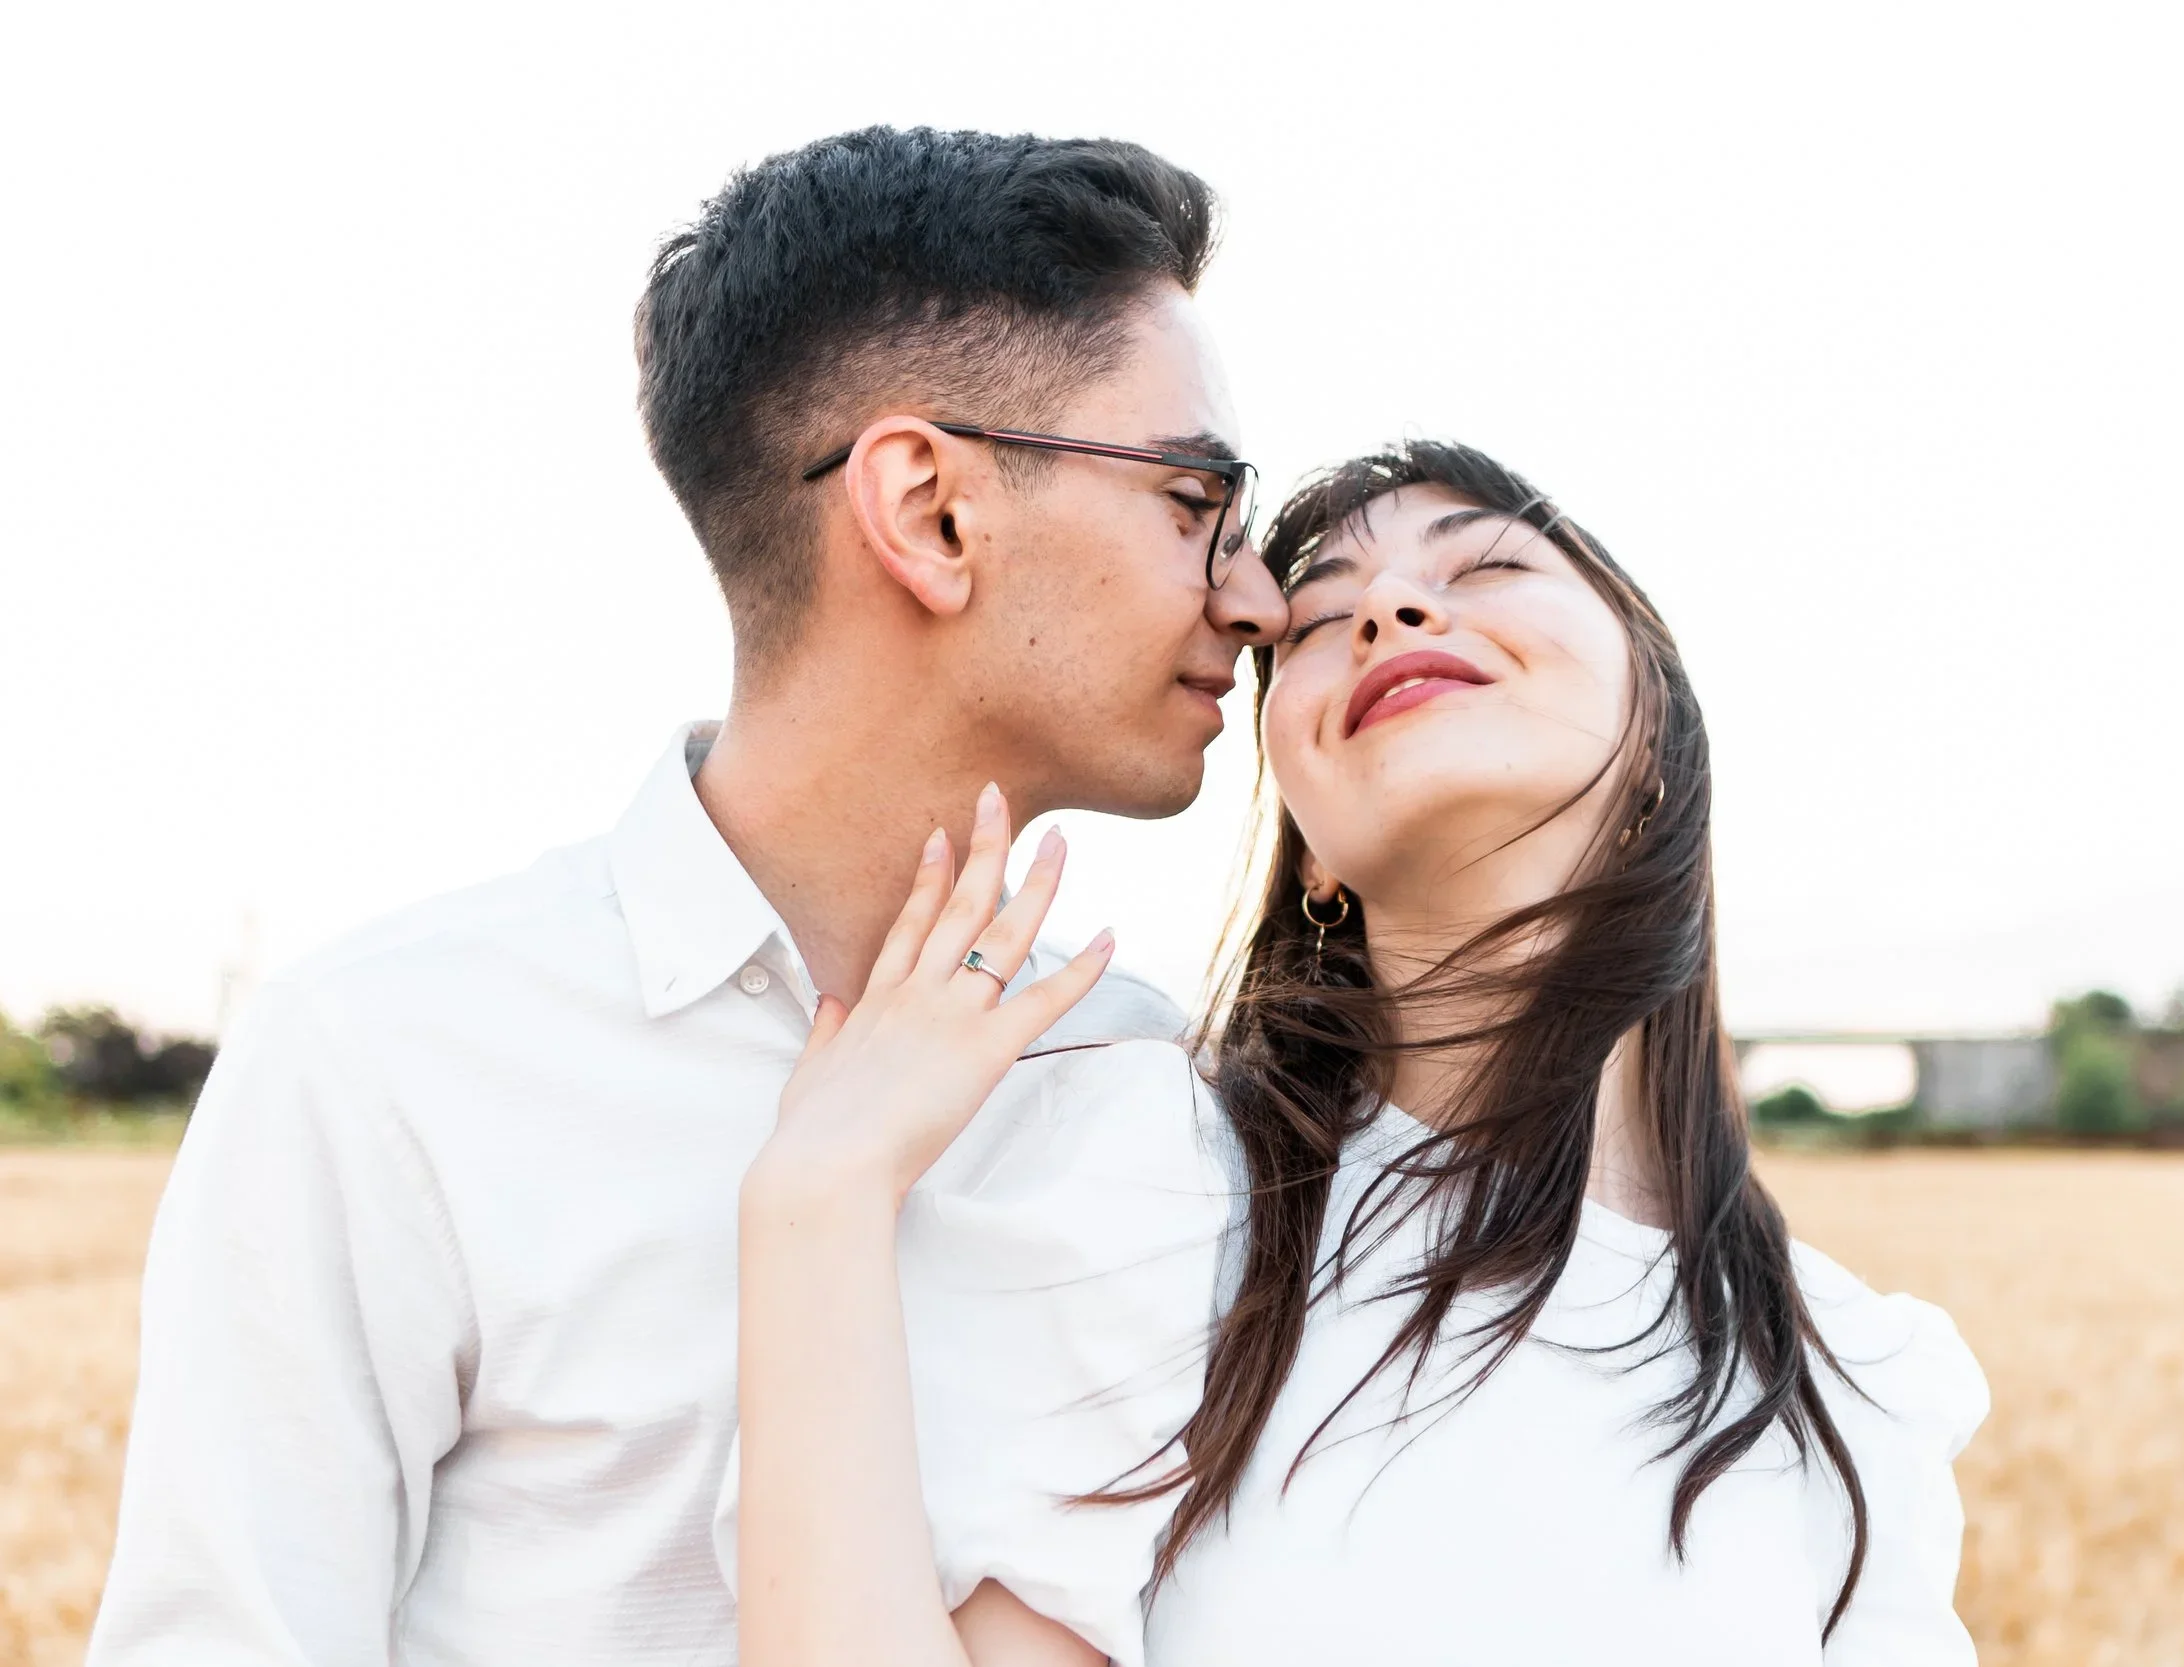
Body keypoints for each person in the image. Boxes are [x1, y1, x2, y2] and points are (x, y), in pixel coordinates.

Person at [88, 126, 1286, 1667]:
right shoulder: (391, 1059)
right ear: (929, 510)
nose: (1252, 598)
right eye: (1195, 499)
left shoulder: (1133, 1087)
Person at [730, 440, 1990, 1665]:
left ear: (1657, 736)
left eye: (1485, 567)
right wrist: (815, 1203)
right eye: (1319, 622)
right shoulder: (1165, 1179)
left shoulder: (1860, 1375)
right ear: (1311, 846)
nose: (1387, 608)